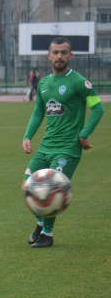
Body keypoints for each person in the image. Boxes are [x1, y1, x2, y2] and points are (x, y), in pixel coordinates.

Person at [22, 37, 104, 248]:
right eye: (56, 52)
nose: (59, 56)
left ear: (70, 55)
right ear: (49, 55)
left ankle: (47, 235)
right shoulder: (44, 83)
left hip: (67, 149)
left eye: (64, 52)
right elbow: (38, 112)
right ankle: (41, 223)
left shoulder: (79, 82)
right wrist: (27, 136)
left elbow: (98, 108)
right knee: (27, 186)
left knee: (51, 190)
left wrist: (83, 135)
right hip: (45, 147)